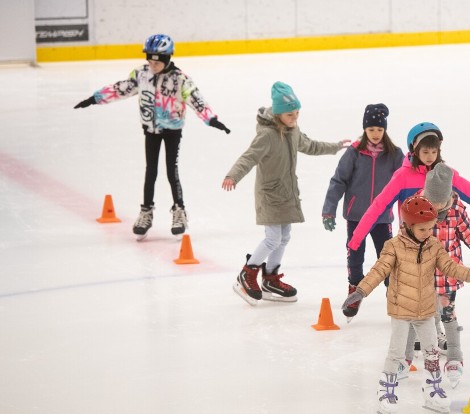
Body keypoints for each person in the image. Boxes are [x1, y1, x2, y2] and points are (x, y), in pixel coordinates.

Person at [342, 196, 470, 414]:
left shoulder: (433, 246)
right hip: (401, 309)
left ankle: (432, 388)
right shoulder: (393, 246)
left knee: (431, 351)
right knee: (396, 352)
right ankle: (386, 389)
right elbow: (378, 271)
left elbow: (450, 266)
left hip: (425, 309)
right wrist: (361, 290)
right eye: (423, 229)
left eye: (431, 228)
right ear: (407, 226)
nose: (428, 233)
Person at [74, 33, 230, 240]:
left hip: (172, 130)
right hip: (151, 129)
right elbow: (121, 88)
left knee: (171, 170)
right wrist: (95, 98)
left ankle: (179, 211)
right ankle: (146, 212)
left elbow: (196, 99)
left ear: (167, 59)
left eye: (157, 61)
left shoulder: (179, 79)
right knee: (151, 171)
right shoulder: (141, 74)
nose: (152, 64)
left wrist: (211, 119)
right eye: (150, 59)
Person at [222, 82, 349, 306]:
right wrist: (233, 175)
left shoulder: (293, 131)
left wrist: (335, 146)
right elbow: (249, 157)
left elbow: (310, 145)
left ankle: (270, 278)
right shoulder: (267, 136)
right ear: (279, 113)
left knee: (285, 237)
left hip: (287, 192)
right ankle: (247, 273)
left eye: (297, 112)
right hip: (269, 194)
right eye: (290, 114)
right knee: (273, 238)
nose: (295, 117)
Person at [347, 122, 470, 253]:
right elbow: (378, 206)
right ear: (414, 149)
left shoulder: (445, 175)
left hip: (440, 248)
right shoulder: (402, 177)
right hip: (411, 246)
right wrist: (356, 240)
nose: (430, 157)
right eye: (425, 152)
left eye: (434, 152)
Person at [402, 163, 470, 388]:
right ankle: (404, 358)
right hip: (421, 275)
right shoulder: (415, 207)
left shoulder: (456, 209)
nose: (437, 207)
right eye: (433, 202)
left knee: (448, 315)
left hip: (447, 275)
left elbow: (468, 233)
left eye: (441, 203)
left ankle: (454, 357)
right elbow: (404, 238)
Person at [321, 104, 404, 319]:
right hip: (357, 215)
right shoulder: (355, 153)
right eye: (371, 130)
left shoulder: (394, 154)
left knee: (386, 256)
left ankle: (393, 293)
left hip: (382, 216)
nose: (375, 134)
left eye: (379, 130)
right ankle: (355, 291)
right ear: (365, 130)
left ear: (384, 130)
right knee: (355, 255)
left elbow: (405, 179)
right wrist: (329, 210)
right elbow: (338, 181)